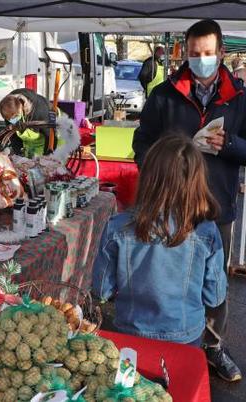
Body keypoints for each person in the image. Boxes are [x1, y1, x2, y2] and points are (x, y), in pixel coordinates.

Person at [133, 19, 246, 382]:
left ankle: (213, 346)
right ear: (184, 53)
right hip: (168, 204)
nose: (201, 60)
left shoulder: (242, 98)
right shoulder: (163, 95)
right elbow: (141, 144)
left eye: (208, 53)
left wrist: (231, 145)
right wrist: (163, 164)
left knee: (214, 281)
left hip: (216, 205)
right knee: (162, 275)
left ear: (222, 53)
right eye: (194, 54)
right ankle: (163, 343)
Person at [92, 133, 226, 347]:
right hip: (185, 333)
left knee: (133, 380)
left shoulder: (118, 226)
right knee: (179, 380)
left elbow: (101, 290)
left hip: (131, 330)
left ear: (148, 176)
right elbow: (215, 296)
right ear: (197, 180)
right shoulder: (206, 231)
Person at [0, 88, 52, 158]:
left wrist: (47, 156)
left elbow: (50, 135)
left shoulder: (40, 111)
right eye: (9, 119)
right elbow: (13, 135)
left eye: (14, 117)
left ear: (21, 108)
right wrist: (18, 154)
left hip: (52, 132)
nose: (12, 121)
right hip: (32, 141)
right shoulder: (8, 108)